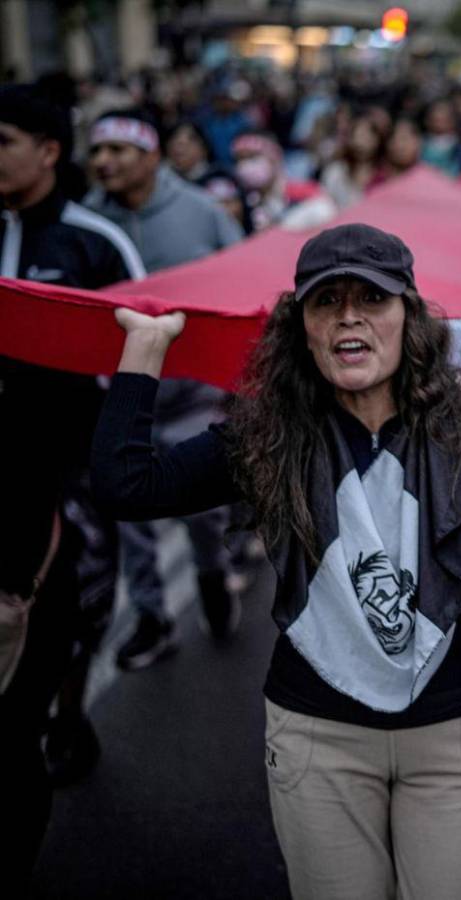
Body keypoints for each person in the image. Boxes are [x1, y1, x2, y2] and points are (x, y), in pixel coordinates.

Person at [90, 223, 461, 900]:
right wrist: (144, 352)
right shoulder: (266, 433)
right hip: (317, 737)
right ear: (300, 327)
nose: (349, 317)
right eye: (325, 302)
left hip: (454, 731)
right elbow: (127, 486)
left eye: (373, 297)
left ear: (410, 316)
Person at [0, 83, 146, 892]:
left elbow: (142, 349)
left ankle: (69, 707)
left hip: (69, 478)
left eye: (3, 140)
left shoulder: (95, 244)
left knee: (76, 610)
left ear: (48, 150)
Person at [86, 108, 244, 670]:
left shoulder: (202, 212)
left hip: (194, 390)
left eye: (118, 150)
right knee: (129, 509)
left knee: (200, 508)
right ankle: (152, 616)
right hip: (123, 389)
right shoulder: (89, 221)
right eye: (97, 151)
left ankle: (210, 572)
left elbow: (243, 281)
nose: (104, 162)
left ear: (150, 154)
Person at [319, 112, 390, 210]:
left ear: (378, 140)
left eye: (368, 135)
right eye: (359, 135)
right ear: (350, 139)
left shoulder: (385, 175)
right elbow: (324, 202)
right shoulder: (336, 170)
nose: (362, 140)